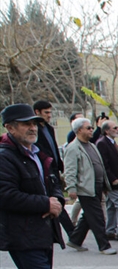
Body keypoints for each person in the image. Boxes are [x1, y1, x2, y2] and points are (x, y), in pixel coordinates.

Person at [0, 103, 98, 269]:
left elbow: (53, 181)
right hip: (20, 232)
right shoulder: (5, 157)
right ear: (9, 127)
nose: (33, 128)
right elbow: (5, 194)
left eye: (34, 123)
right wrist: (45, 204)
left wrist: (55, 199)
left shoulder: (35, 153)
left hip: (42, 229)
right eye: (26, 124)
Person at [62, 118, 115, 254]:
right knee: (97, 217)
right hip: (85, 188)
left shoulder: (91, 146)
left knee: (88, 216)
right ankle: (104, 246)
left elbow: (99, 166)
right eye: (88, 128)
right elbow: (70, 170)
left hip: (96, 187)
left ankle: (75, 240)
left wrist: (104, 185)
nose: (92, 130)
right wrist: (71, 188)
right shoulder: (73, 148)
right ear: (79, 130)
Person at [32, 100, 75, 237]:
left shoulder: (49, 128)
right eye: (46, 112)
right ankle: (73, 234)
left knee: (57, 199)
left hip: (54, 168)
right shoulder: (34, 129)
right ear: (37, 112)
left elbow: (53, 148)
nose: (49, 115)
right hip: (45, 170)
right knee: (57, 200)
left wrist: (59, 163)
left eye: (50, 112)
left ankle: (67, 233)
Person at [96, 121, 118, 241]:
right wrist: (112, 179)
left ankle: (110, 230)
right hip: (110, 182)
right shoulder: (102, 143)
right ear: (106, 130)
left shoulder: (111, 143)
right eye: (114, 128)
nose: (117, 130)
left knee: (111, 205)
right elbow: (103, 164)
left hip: (114, 180)